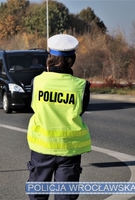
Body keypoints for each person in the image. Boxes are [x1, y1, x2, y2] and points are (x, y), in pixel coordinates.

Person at [26, 34, 91, 200]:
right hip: (69, 150)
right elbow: (80, 110)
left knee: (37, 194)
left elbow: (34, 107)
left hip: (41, 148)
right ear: (72, 59)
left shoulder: (37, 82)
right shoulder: (81, 86)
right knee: (65, 196)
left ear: (50, 58)